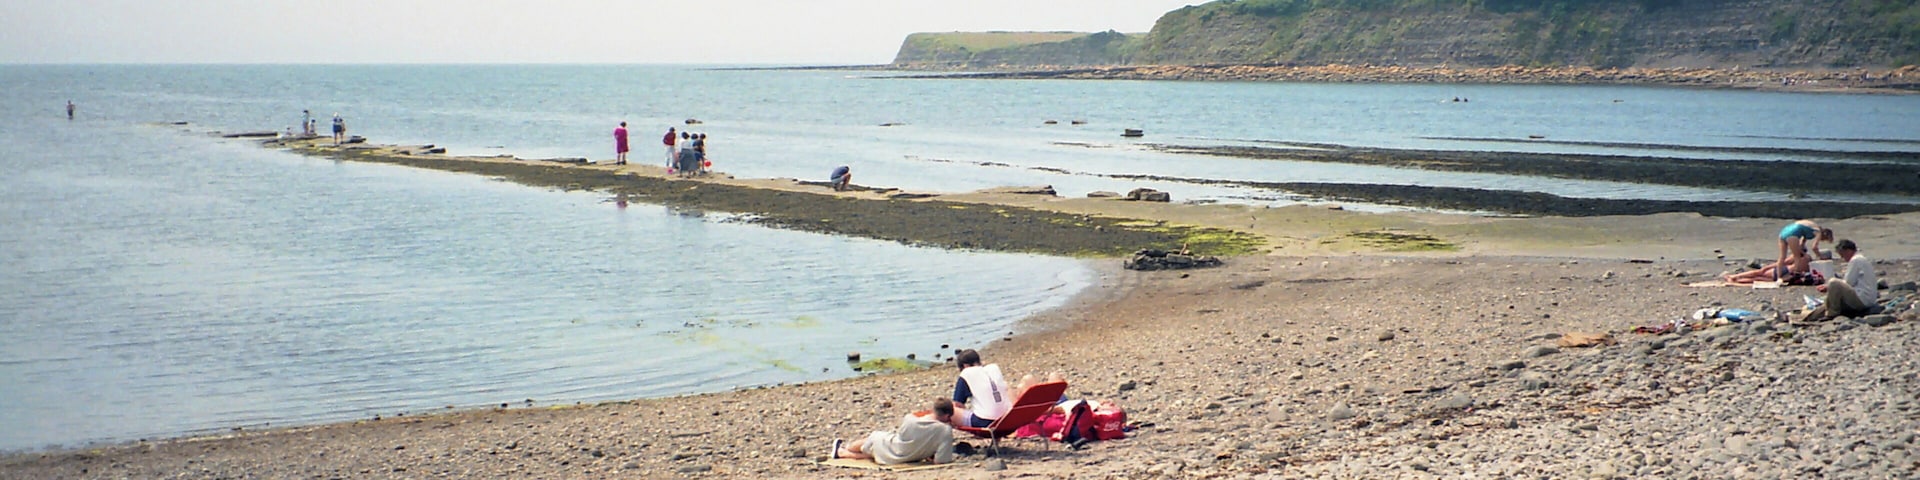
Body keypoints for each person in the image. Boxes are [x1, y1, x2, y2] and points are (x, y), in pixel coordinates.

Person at [830, 398, 955, 465]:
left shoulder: (910, 419)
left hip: (896, 450)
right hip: (910, 457)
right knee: (876, 452)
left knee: (874, 438)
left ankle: (844, 449)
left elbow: (902, 437)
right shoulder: (945, 431)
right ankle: (842, 452)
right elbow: (940, 460)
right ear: (946, 415)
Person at [1801, 239, 1879, 322]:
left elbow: (1848, 282)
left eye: (1842, 255)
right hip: (1867, 299)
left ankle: (1832, 313)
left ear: (1848, 251)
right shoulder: (1861, 258)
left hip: (1863, 299)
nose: (1842, 258)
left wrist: (1829, 287)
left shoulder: (1856, 260)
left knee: (1833, 282)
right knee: (1828, 301)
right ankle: (1811, 316)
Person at [949, 349, 1011, 429]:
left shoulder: (967, 373)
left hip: (985, 421)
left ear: (965, 366)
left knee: (948, 411)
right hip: (1006, 418)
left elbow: (958, 404)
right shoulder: (994, 368)